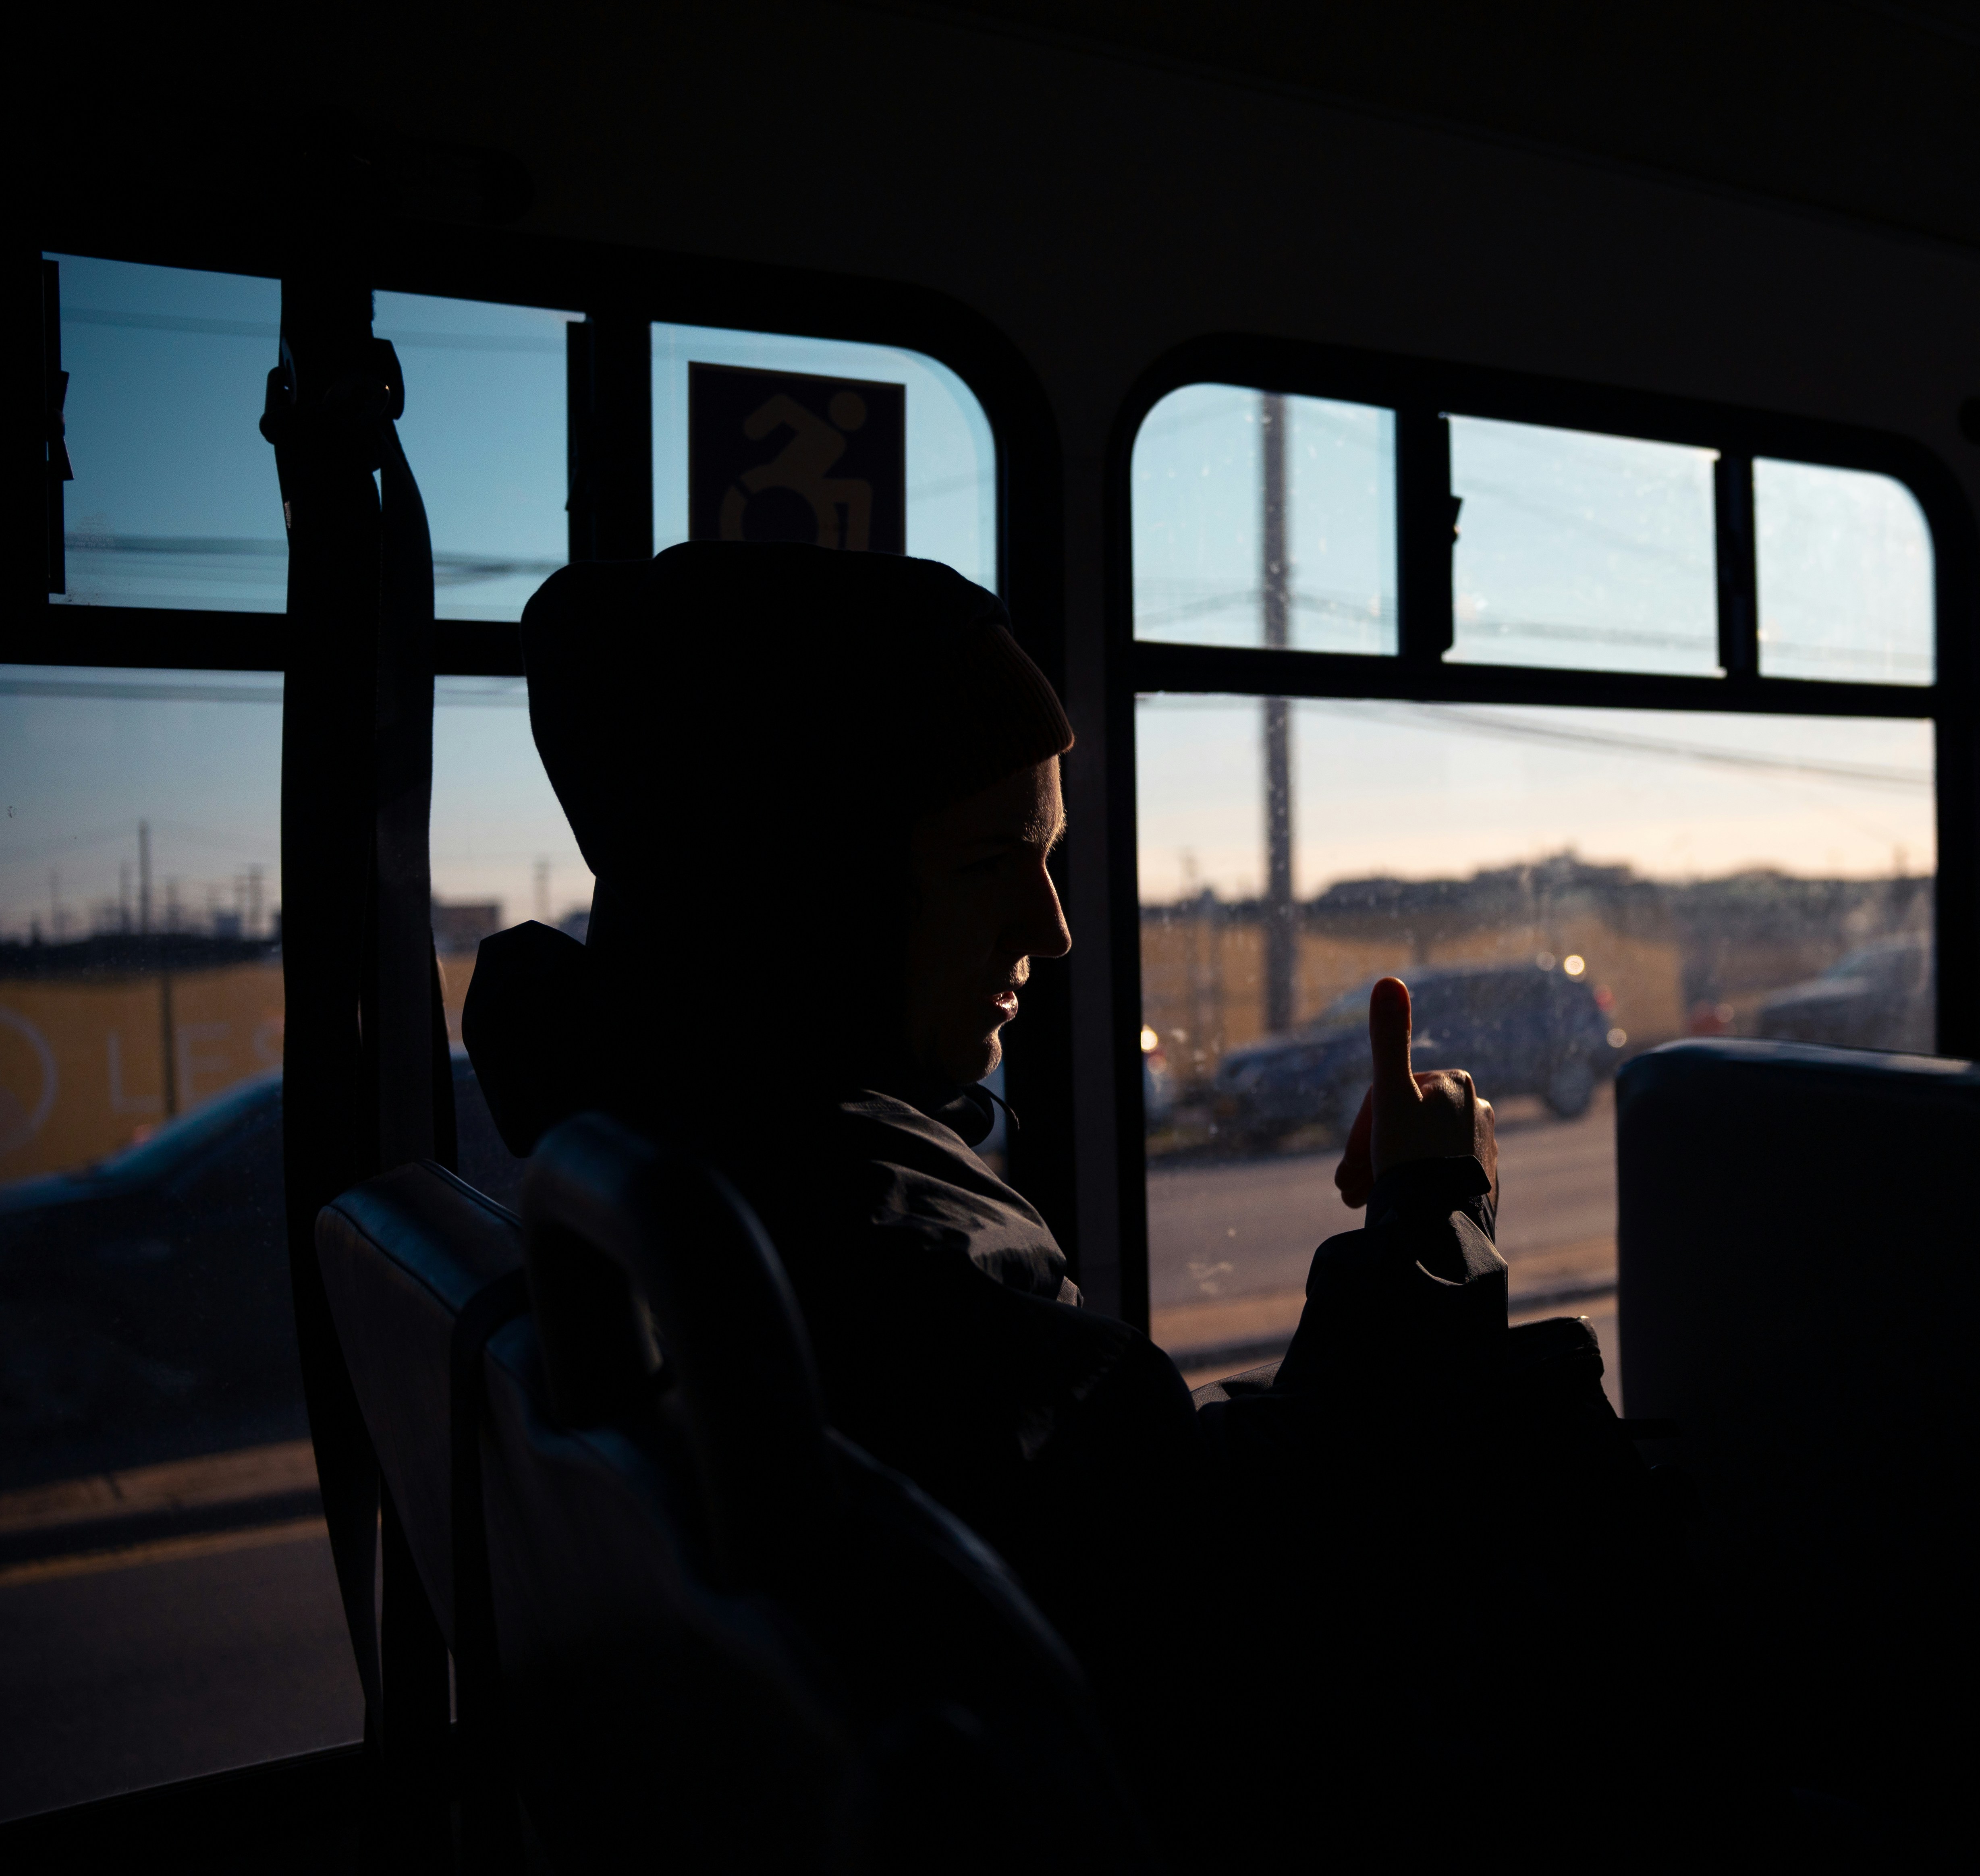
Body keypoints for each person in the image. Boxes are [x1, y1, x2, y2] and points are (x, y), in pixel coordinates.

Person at [465, 542, 1697, 1861]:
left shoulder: (672, 1127)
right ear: (814, 889)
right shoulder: (871, 1238)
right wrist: (1431, 1212)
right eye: (996, 860)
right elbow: (1243, 1581)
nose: (1052, 931)